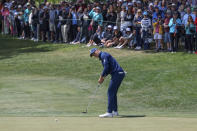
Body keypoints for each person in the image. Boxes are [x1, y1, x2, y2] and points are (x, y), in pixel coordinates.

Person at [90, 48, 125, 118]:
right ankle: (115, 111)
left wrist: (101, 76)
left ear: (97, 50)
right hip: (119, 73)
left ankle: (109, 112)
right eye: (93, 55)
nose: (94, 55)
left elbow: (106, 67)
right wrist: (103, 77)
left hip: (117, 73)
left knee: (110, 92)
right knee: (113, 92)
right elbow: (108, 70)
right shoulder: (102, 56)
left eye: (94, 53)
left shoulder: (103, 55)